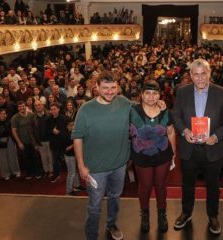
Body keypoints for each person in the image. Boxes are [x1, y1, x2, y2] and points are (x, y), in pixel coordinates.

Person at [172, 59, 223, 235]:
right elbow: (175, 116)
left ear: (209, 73)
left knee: (213, 187)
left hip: (213, 149)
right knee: (187, 185)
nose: (200, 78)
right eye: (196, 74)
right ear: (190, 75)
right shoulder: (182, 92)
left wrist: (216, 136)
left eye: (203, 74)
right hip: (189, 148)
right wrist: (184, 130)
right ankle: (186, 213)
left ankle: (213, 216)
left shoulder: (221, 92)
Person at [72, 76, 132, 240]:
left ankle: (111, 224)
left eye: (113, 87)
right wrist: (81, 166)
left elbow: (144, 109)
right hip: (95, 169)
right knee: (94, 206)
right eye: (105, 88)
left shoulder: (124, 102)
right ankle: (91, 236)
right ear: (96, 87)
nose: (110, 92)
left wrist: (159, 104)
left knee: (115, 198)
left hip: (119, 165)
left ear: (118, 86)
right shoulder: (86, 109)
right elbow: (77, 138)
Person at [129, 80, 176, 233]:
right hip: (141, 156)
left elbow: (171, 132)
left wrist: (173, 154)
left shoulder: (165, 111)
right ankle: (145, 214)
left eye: (154, 93)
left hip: (163, 155)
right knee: (145, 186)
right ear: (141, 95)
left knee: (161, 186)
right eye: (147, 93)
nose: (151, 97)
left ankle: (162, 214)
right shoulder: (132, 110)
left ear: (159, 95)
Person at [0, 109, 21, 180]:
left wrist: (15, 142)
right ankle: (6, 174)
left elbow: (13, 133)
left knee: (13, 157)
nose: (3, 115)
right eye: (1, 114)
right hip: (0, 142)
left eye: (4, 114)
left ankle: (16, 171)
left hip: (10, 140)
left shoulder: (10, 122)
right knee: (3, 159)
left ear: (6, 115)